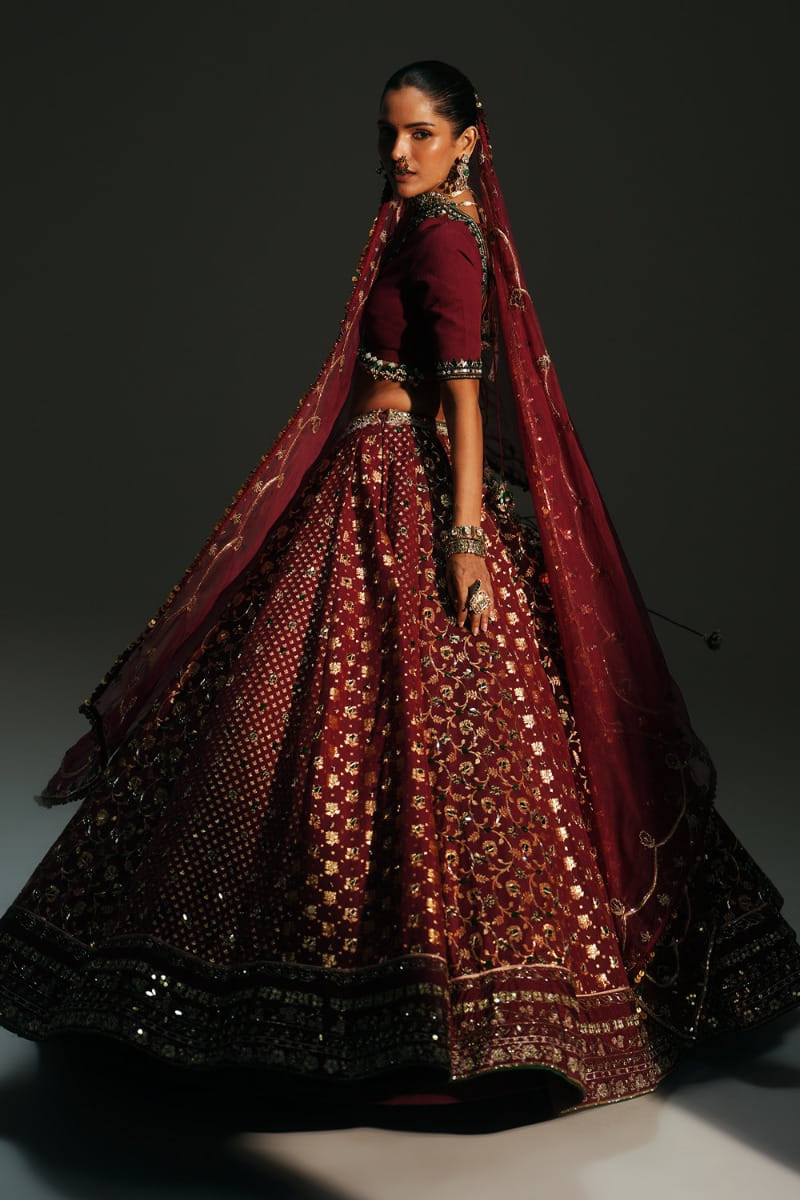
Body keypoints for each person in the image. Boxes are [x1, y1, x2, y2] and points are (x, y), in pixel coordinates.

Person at [1, 60, 798, 1118]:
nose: (397, 152)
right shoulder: (422, 225)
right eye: (388, 132)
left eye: (421, 132)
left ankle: (458, 1011)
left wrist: (464, 540)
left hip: (407, 496)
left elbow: (466, 400)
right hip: (372, 477)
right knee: (303, 720)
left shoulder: (445, 237)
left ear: (468, 138)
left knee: (430, 735)